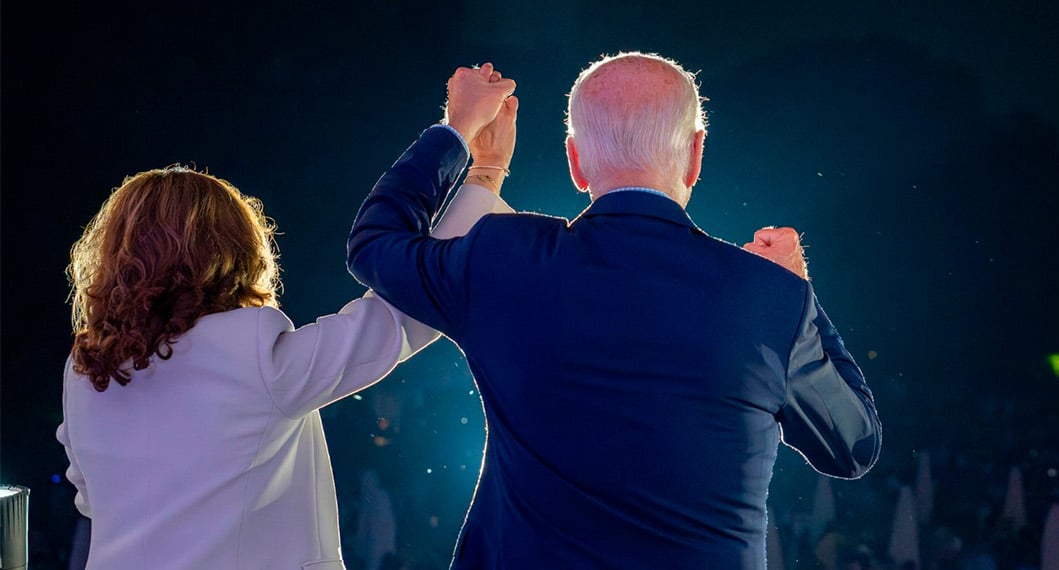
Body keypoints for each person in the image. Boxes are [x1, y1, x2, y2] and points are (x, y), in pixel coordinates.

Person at [347, 52, 882, 568]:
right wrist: (798, 290)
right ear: (696, 154)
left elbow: (375, 243)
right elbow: (853, 446)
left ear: (575, 161)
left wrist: (460, 137)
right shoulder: (767, 297)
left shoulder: (505, 257)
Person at [55, 65, 520, 569]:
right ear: (230, 249)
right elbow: (399, 315)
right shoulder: (247, 350)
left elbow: (90, 497)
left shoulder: (86, 370)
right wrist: (476, 161)